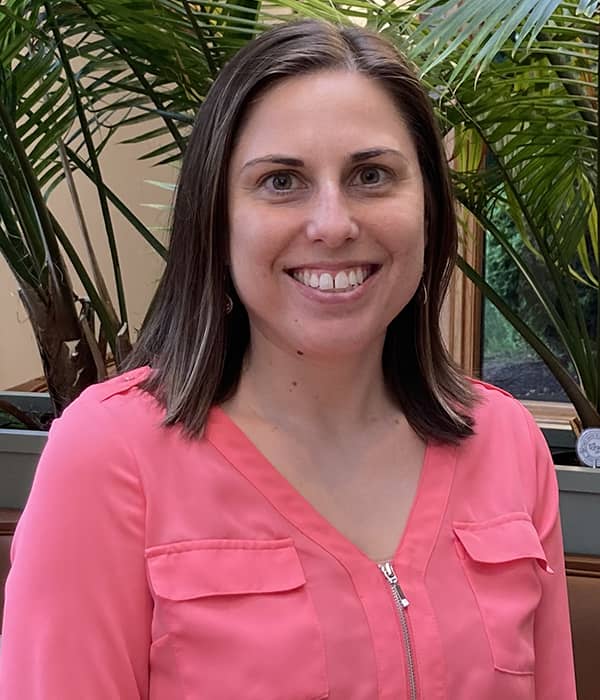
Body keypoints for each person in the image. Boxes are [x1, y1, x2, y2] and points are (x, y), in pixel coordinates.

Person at [0, 19, 576, 700]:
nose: (332, 224)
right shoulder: (109, 457)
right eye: (280, 181)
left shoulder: (507, 444)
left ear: (429, 209)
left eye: (371, 175)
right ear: (215, 219)